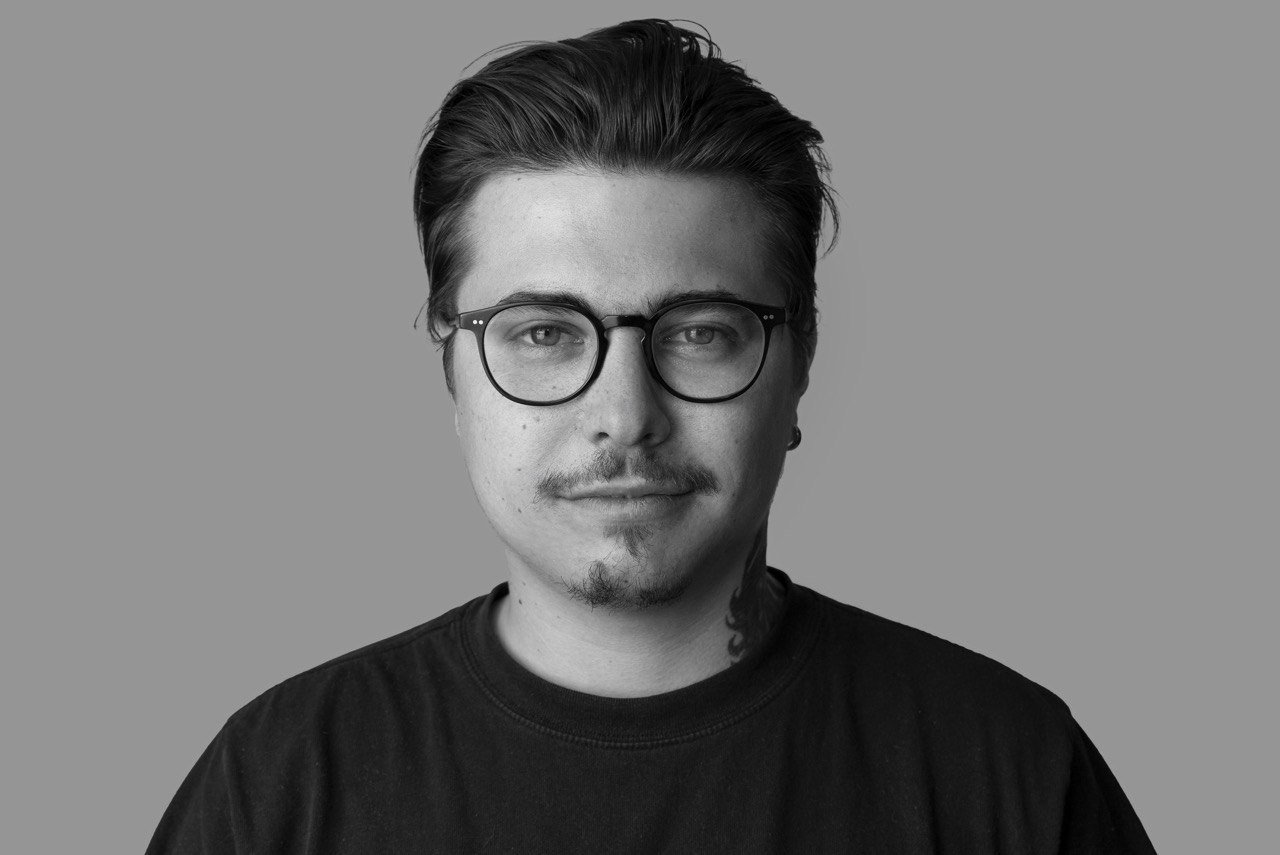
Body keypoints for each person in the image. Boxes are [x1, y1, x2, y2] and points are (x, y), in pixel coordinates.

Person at [147, 19, 1156, 853]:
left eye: (701, 332)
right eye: (544, 334)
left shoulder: (1010, 773)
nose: (625, 414)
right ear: (450, 369)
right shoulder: (277, 788)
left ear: (801, 361)